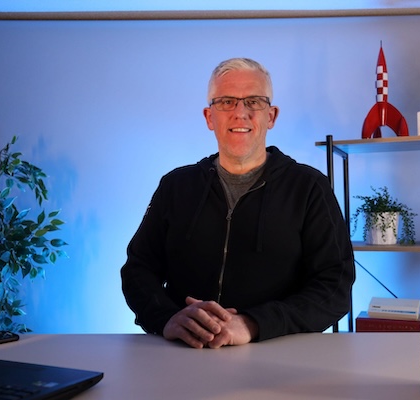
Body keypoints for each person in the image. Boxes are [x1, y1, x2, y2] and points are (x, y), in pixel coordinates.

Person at [121, 57, 355, 349]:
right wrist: (166, 318)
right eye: (226, 102)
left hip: (277, 356)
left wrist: (253, 323)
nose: (240, 113)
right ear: (209, 117)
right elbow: (138, 269)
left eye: (254, 101)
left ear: (271, 116)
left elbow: (334, 287)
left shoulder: (309, 188)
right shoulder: (175, 186)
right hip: (183, 355)